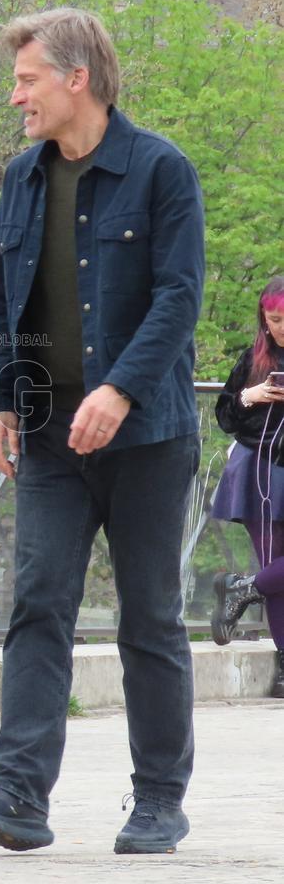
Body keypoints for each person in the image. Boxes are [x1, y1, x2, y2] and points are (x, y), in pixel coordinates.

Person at [0, 9, 205, 856]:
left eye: (27, 80)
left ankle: (159, 799)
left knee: (149, 618)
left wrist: (121, 390)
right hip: (51, 436)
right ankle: (19, 795)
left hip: (147, 437)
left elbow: (180, 296)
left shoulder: (160, 169)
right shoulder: (21, 177)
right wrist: (0, 399)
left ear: (76, 78)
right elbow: (2, 304)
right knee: (38, 605)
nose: (15, 96)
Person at [210, 276, 284, 698]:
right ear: (264, 319)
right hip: (260, 468)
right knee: (276, 563)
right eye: (275, 319)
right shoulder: (253, 359)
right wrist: (249, 396)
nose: (282, 328)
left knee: (275, 573)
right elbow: (225, 416)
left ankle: (244, 588)